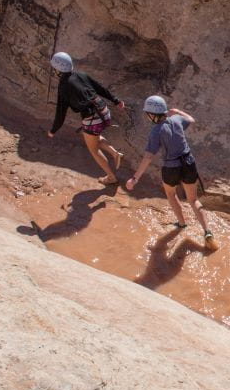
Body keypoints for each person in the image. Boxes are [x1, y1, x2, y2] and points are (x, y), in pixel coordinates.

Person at [124, 95, 217, 249]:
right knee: (193, 200)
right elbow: (191, 120)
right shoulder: (177, 120)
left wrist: (135, 178)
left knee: (171, 194)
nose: (147, 116)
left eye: (148, 113)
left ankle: (181, 223)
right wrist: (178, 111)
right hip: (188, 163)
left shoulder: (156, 131)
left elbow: (148, 157)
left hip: (171, 168)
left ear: (152, 114)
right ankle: (207, 232)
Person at [46, 51, 124, 185]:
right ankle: (115, 153)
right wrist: (116, 101)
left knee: (93, 149)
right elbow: (100, 88)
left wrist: (53, 130)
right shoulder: (81, 75)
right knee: (94, 138)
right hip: (104, 110)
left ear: (58, 70)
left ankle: (111, 177)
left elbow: (61, 113)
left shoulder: (63, 86)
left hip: (93, 118)